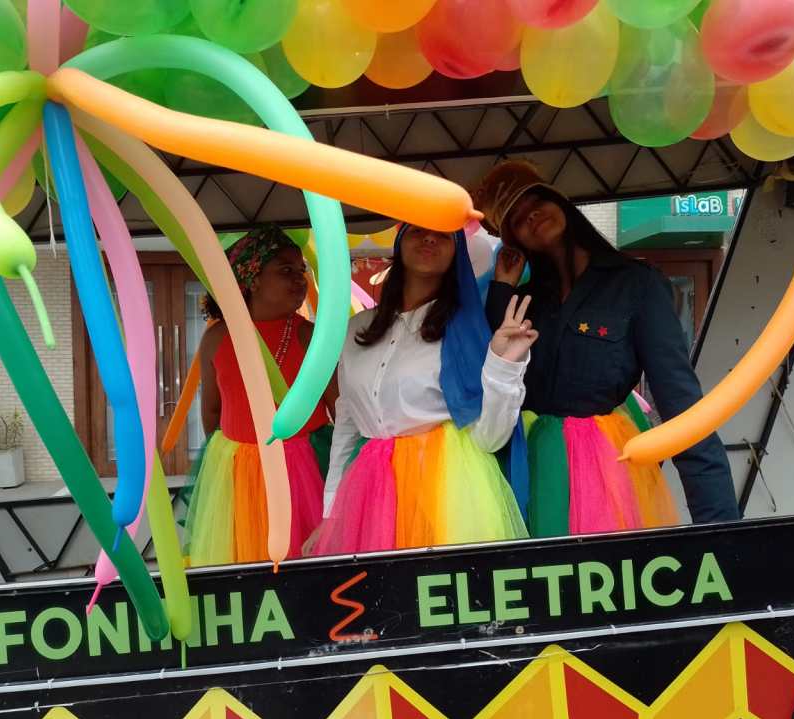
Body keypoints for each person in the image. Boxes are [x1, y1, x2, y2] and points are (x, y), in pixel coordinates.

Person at [473, 160, 739, 535]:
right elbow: (490, 377)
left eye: (537, 200)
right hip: (523, 474)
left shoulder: (637, 285)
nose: (530, 215)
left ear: (560, 202)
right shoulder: (524, 301)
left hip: (602, 481)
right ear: (514, 241)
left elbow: (683, 408)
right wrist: (502, 287)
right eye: (517, 219)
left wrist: (722, 531)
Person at [310, 224, 536, 555]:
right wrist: (331, 513)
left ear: (456, 251)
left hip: (446, 493)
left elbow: (490, 439)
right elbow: (347, 422)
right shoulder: (356, 328)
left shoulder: (464, 331)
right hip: (370, 492)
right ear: (400, 241)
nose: (430, 237)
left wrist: (505, 366)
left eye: (443, 234)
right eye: (418, 230)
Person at [185, 224, 335, 566]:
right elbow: (212, 412)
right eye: (285, 270)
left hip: (302, 471)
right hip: (240, 472)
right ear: (252, 280)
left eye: (301, 270)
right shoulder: (217, 338)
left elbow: (340, 408)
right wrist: (233, 461)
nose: (299, 279)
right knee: (245, 562)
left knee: (306, 562)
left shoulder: (309, 336)